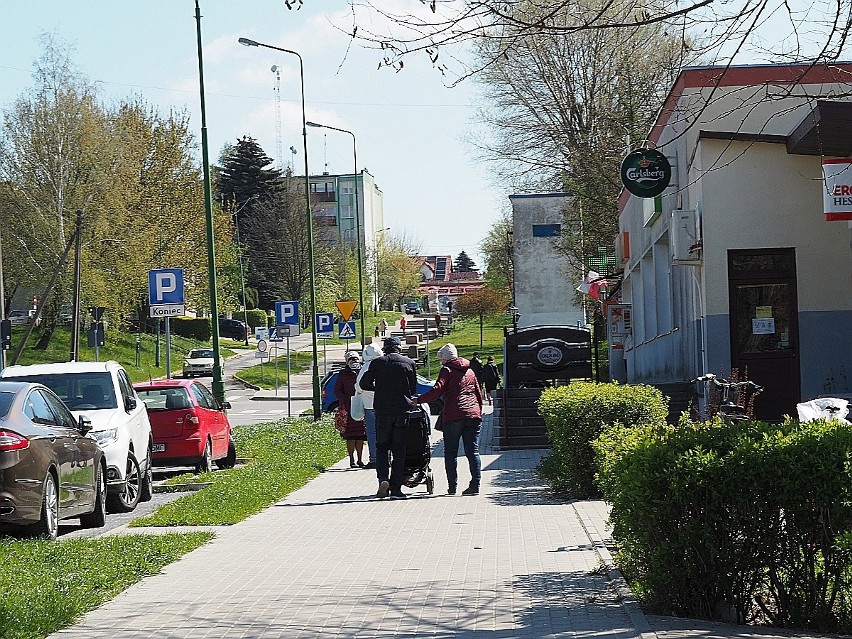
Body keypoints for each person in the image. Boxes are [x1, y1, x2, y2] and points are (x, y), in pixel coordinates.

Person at [416, 343, 483, 496]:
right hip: (473, 415)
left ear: (444, 359)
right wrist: (478, 412)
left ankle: (452, 487)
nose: (440, 361)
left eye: (440, 359)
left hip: (453, 415)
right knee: (473, 451)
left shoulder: (446, 370)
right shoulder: (470, 371)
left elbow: (437, 390)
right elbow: (478, 393)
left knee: (451, 452)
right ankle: (475, 485)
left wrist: (418, 400)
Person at [358, 336, 418, 500]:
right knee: (399, 450)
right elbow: (413, 388)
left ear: (385, 349)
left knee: (382, 447)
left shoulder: (378, 363)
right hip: (402, 410)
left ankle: (383, 479)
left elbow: (363, 384)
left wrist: (378, 387)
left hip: (382, 410)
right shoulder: (409, 363)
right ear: (399, 347)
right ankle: (396, 488)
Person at [333, 351, 367, 468]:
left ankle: (360, 459)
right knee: (350, 436)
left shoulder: (363, 371)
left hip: (362, 406)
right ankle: (351, 459)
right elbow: (337, 390)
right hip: (348, 408)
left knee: (360, 435)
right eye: (351, 359)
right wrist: (346, 400)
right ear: (347, 362)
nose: (354, 361)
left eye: (355, 359)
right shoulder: (343, 374)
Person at [355, 343, 382, 469]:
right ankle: (387, 457)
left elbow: (359, 386)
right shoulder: (384, 364)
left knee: (372, 433)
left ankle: (374, 459)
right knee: (385, 432)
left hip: (369, 406)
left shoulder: (366, 367)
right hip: (383, 404)